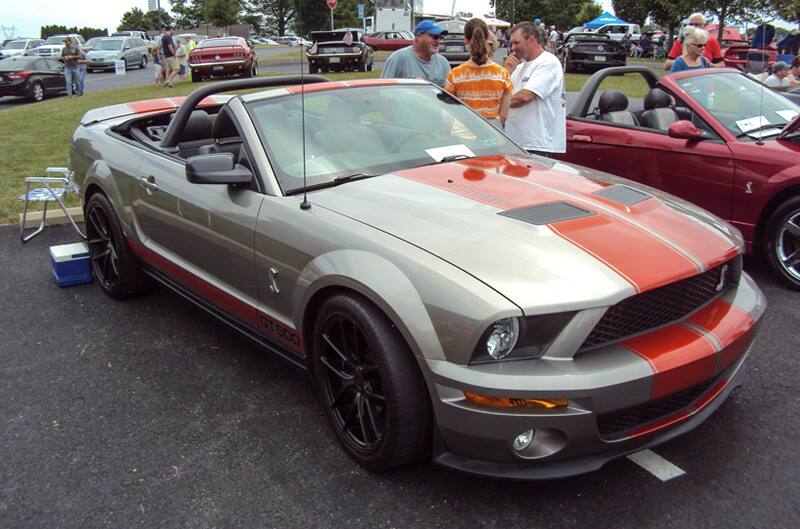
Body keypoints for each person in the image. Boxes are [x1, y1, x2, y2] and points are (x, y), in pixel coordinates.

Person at [503, 22, 566, 157]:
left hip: (535, 145)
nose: (513, 47)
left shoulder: (548, 63)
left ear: (531, 39)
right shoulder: (519, 68)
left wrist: (495, 103)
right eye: (511, 43)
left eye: (516, 43)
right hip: (514, 142)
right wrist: (507, 72)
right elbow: (502, 92)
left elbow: (524, 97)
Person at [444, 18, 512, 128]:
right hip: (492, 135)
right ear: (487, 38)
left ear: (465, 40)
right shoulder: (502, 74)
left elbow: (448, 115)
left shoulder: (455, 75)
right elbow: (503, 116)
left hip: (464, 136)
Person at [380, 19, 451, 87]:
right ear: (419, 37)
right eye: (435, 36)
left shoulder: (443, 63)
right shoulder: (398, 58)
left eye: (441, 37)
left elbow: (449, 94)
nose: (438, 41)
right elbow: (383, 89)